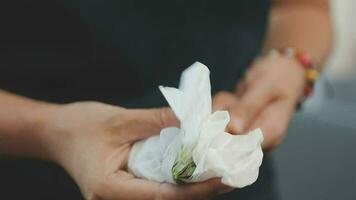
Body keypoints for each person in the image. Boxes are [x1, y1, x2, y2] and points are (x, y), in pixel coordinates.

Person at [0, 0, 332, 199]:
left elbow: (301, 8)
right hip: (32, 174)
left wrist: (291, 63)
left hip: (232, 180)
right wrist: (49, 131)